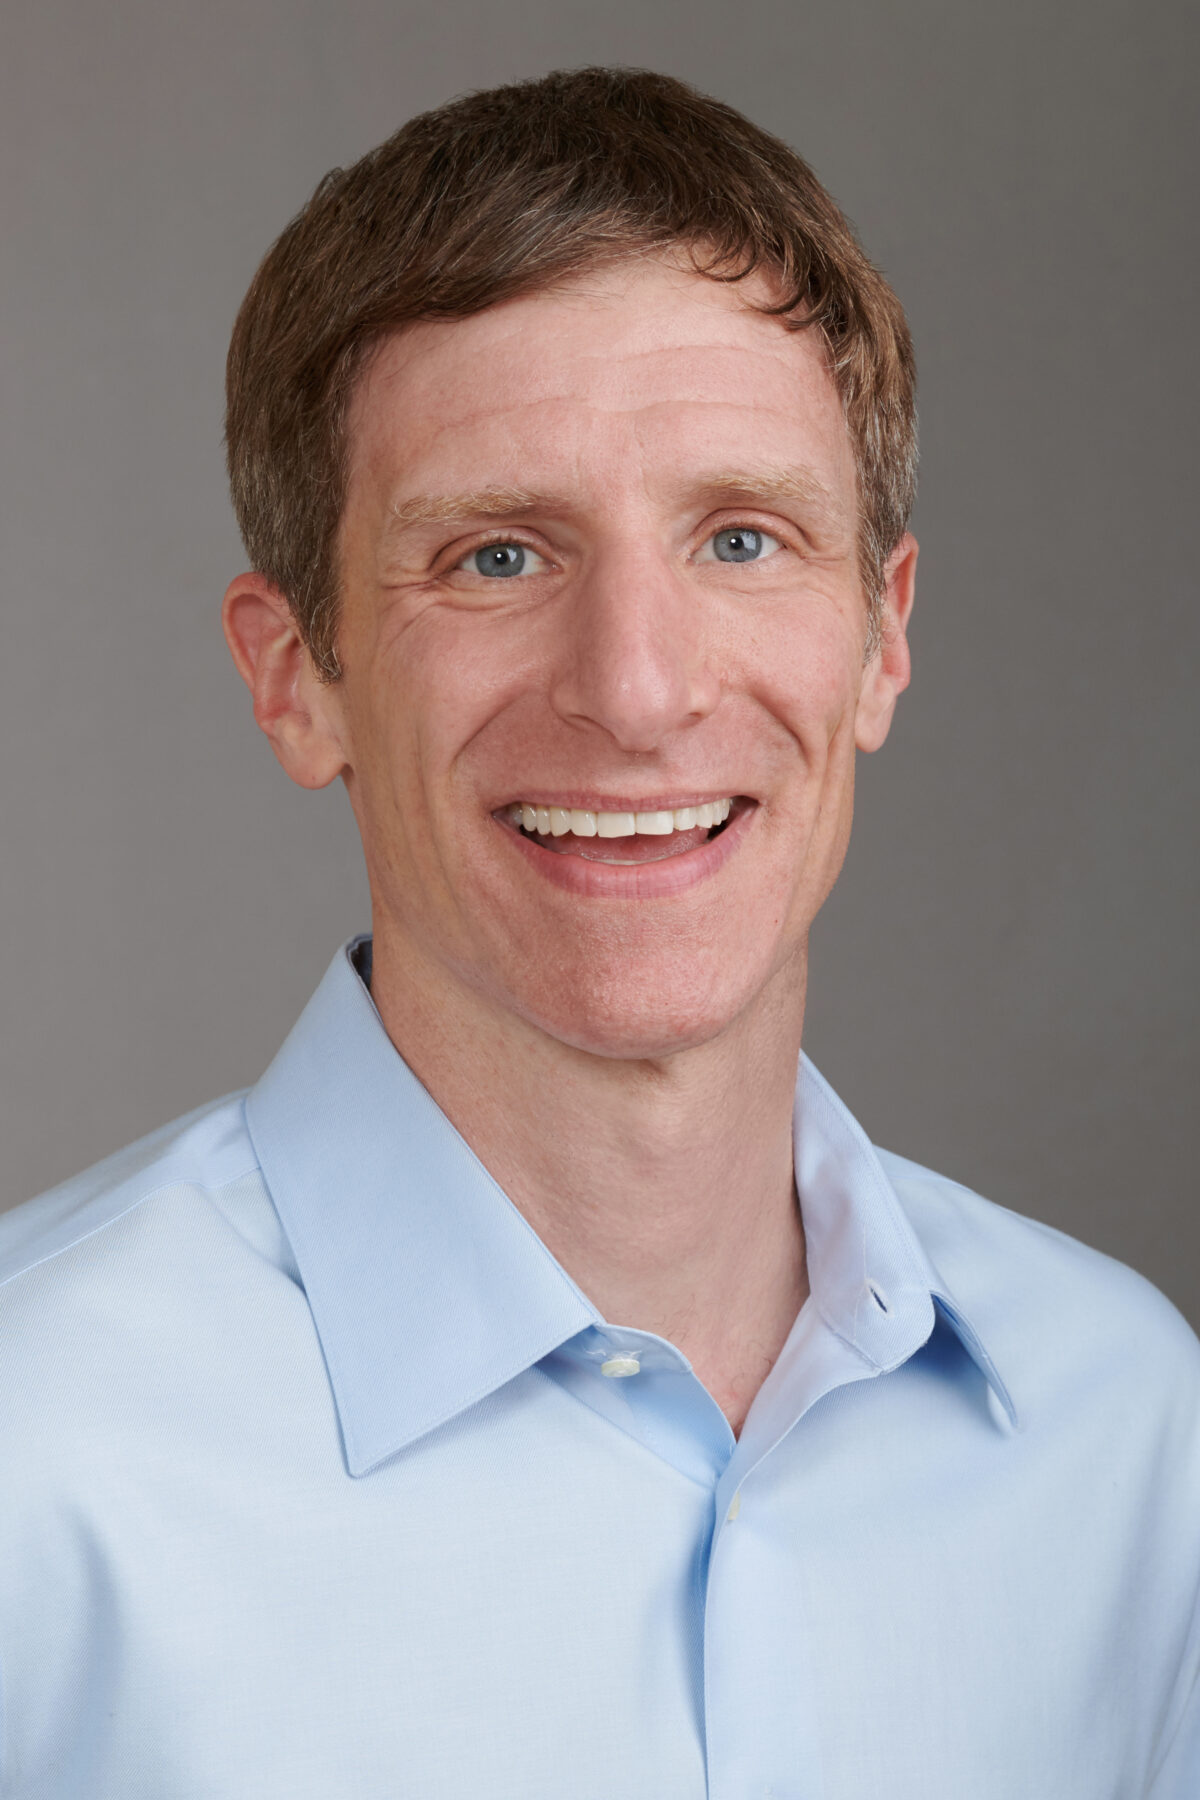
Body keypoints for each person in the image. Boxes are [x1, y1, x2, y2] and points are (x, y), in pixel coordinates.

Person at [0, 66, 1196, 1799]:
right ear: (295, 678)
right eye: (494, 557)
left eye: (740, 536)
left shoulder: (1129, 1439)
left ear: (879, 639)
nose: (637, 691)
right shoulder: (32, 1461)